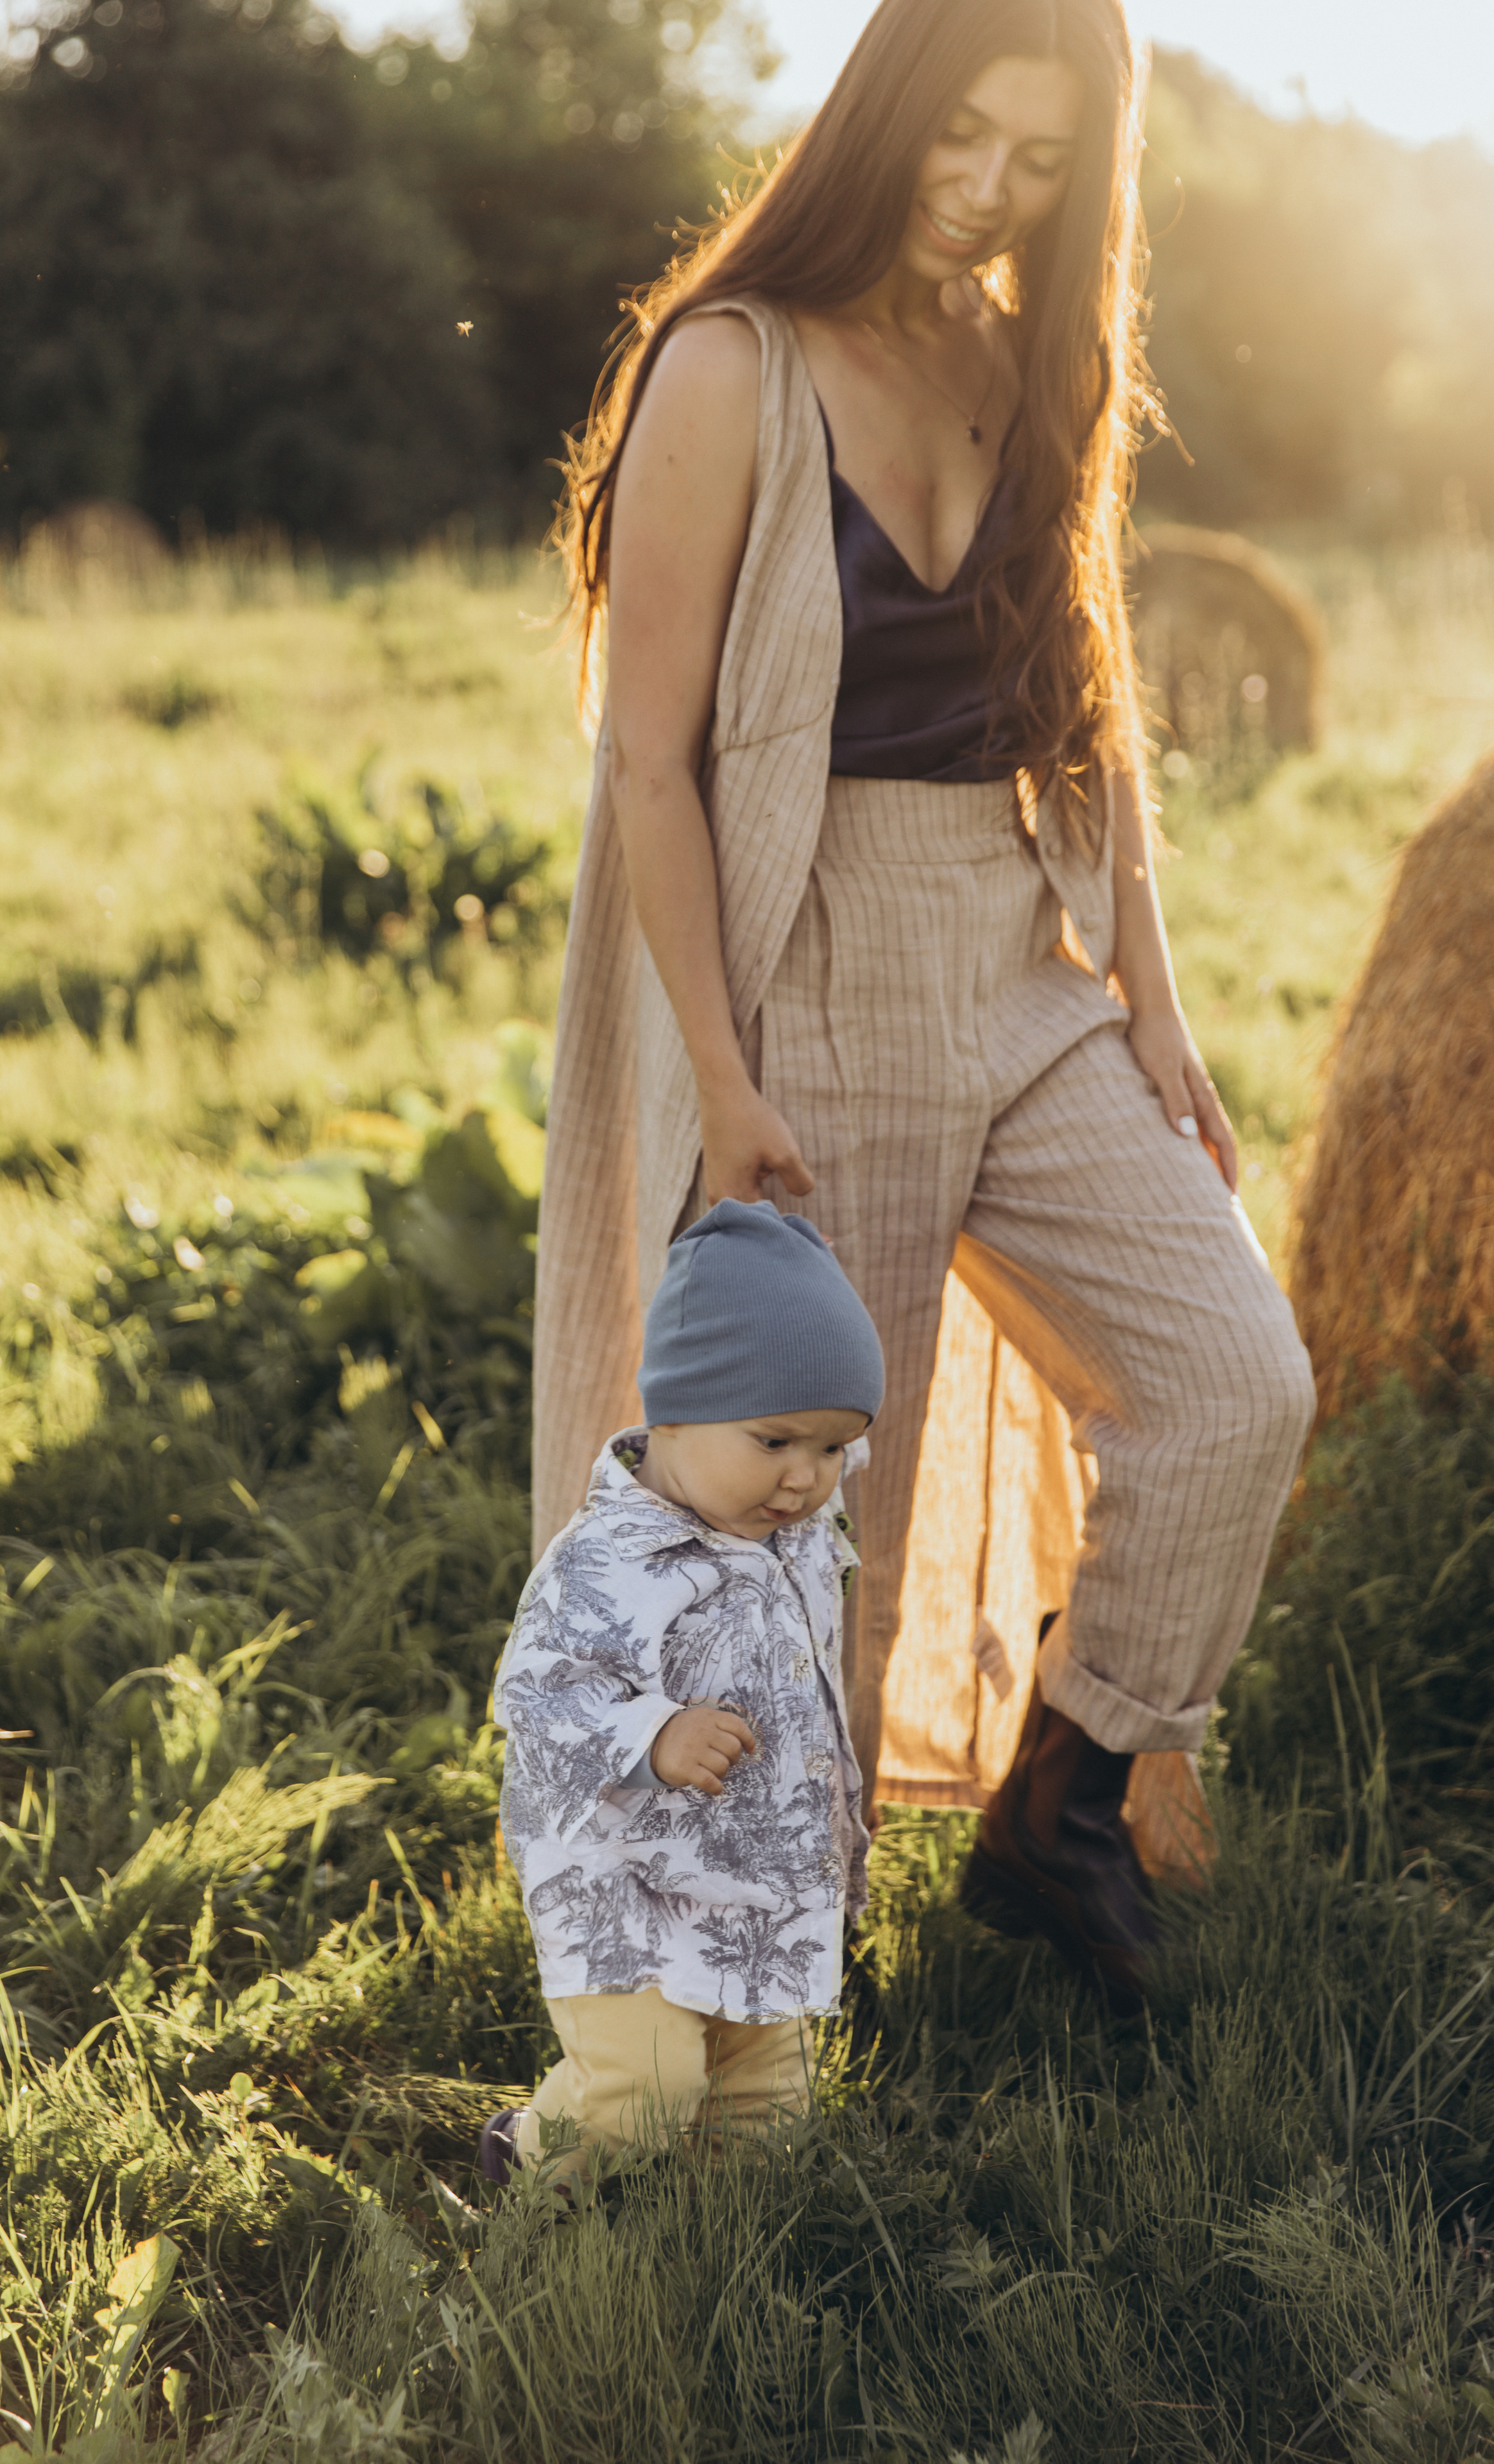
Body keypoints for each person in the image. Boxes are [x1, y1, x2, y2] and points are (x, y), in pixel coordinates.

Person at [531, 0, 1316, 1998]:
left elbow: (1096, 690)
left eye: (1039, 163)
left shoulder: (1018, 355)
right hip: (809, 956)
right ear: (883, 112)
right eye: (960, 137)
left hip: (1025, 948)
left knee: (1239, 1384)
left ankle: (1060, 1810)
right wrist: (724, 1076)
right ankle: (762, 1947)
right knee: (813, 1509)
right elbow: (653, 763)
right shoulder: (732, 363)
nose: (985, 191)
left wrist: (1154, 994)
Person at [481, 1199, 883, 2189]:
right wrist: (653, 1733)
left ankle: (703, 2243)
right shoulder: (611, 1559)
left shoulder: (790, 1532)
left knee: (763, 2121)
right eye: (777, 1441)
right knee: (643, 2091)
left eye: (833, 1450)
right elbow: (537, 1693)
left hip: (760, 1870)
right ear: (674, 1410)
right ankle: (523, 2167)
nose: (805, 1479)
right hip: (624, 1872)